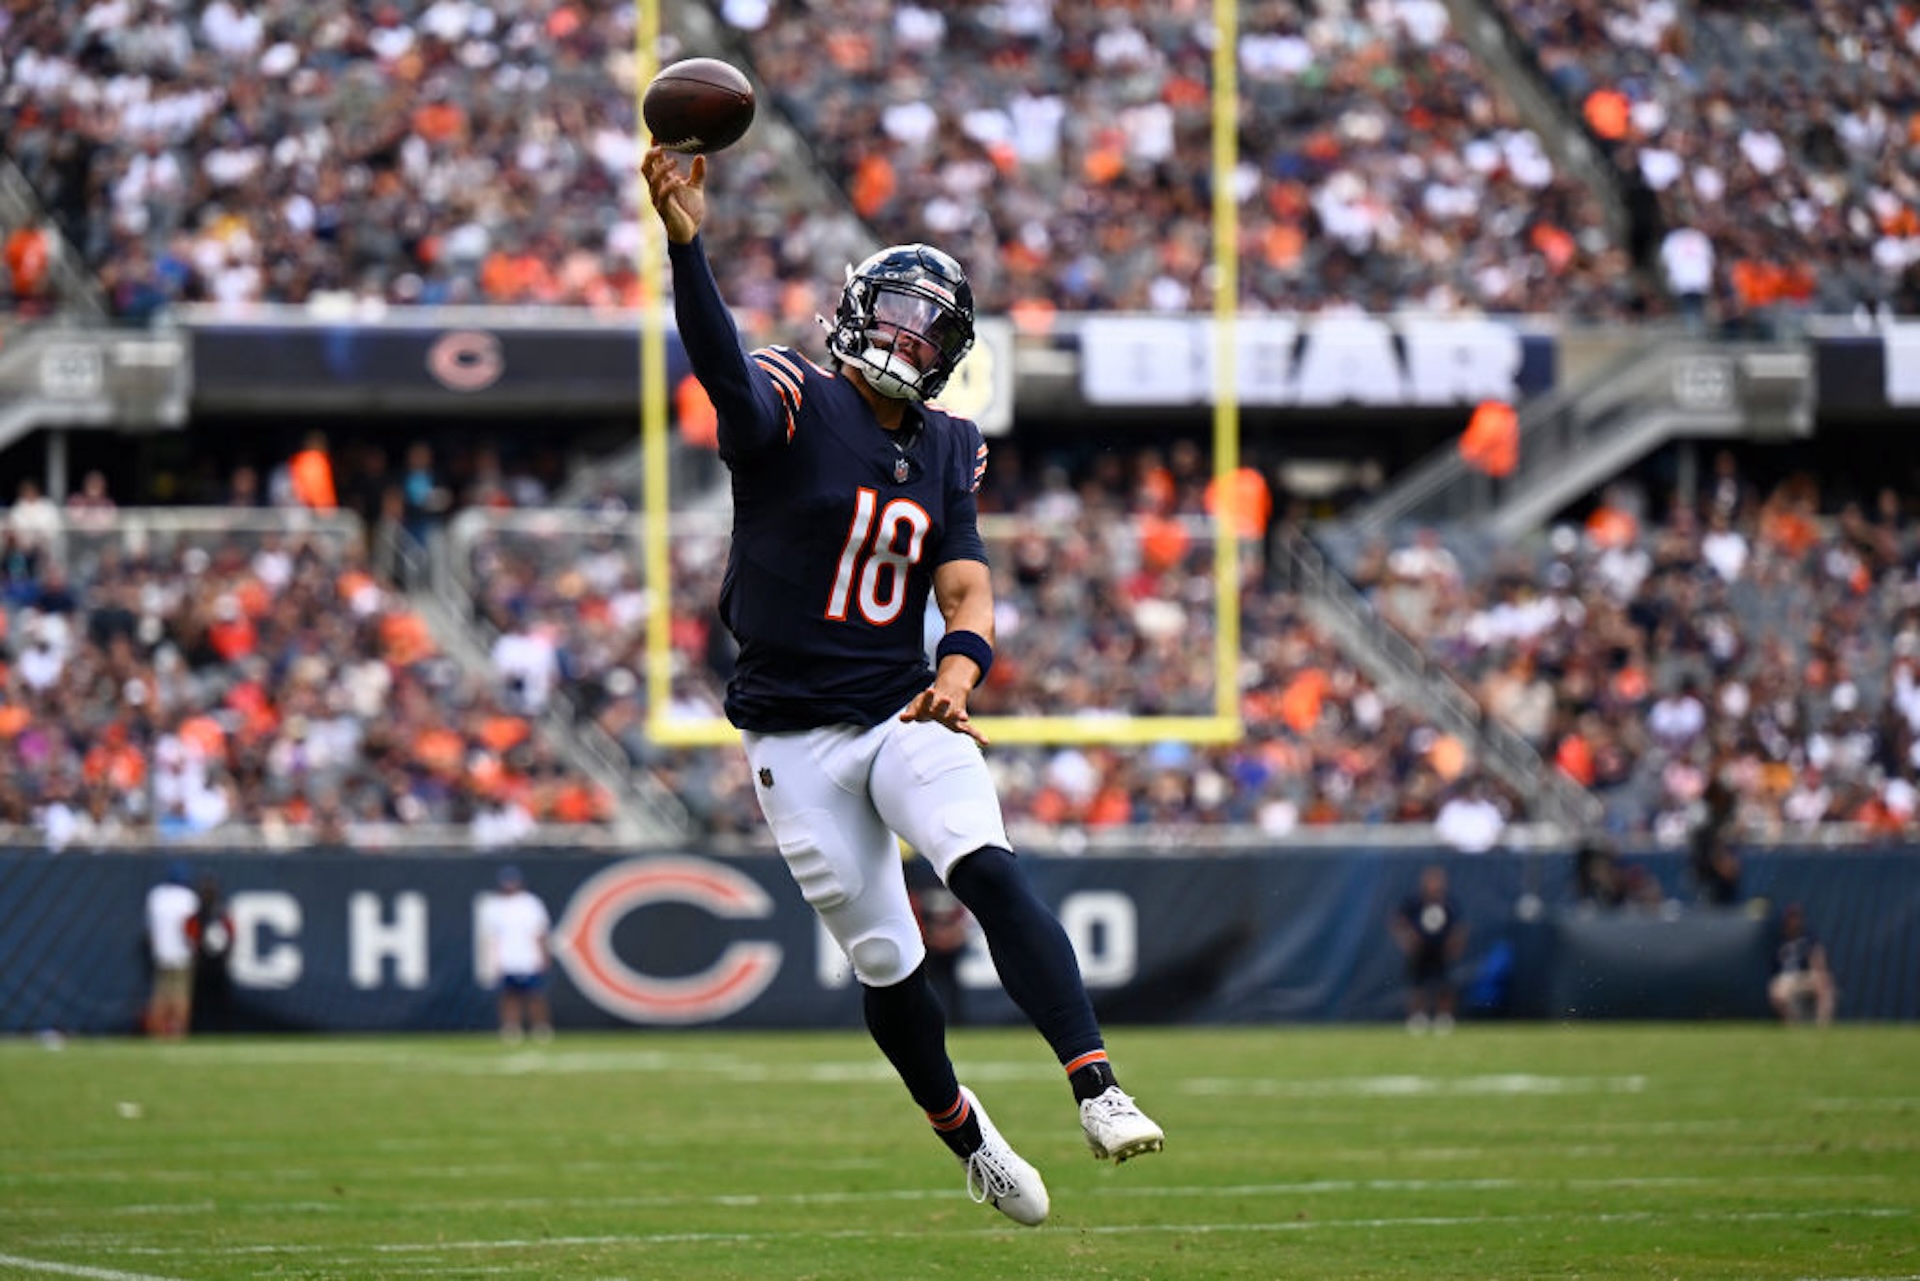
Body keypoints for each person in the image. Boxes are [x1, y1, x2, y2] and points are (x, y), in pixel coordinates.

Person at [643, 141, 1163, 1227]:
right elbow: (721, 372)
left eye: (926, 328)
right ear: (852, 313)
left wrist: (960, 675)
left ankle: (1098, 1086)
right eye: (891, 314)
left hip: (902, 706)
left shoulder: (948, 448)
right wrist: (686, 249)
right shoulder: (792, 394)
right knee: (887, 963)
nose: (902, 337)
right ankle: (966, 1135)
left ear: (948, 353)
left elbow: (967, 588)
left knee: (984, 865)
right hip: (791, 739)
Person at [477, 864, 553, 1043]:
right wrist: (493, 960)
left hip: (528, 957)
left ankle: (540, 1027)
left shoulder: (530, 903)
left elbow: (540, 932)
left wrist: (543, 955)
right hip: (507, 958)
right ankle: (511, 1028)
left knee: (534, 994)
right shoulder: (495, 905)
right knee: (509, 996)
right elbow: (493, 937)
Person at [1390, 863, 1467, 1034]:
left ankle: (1444, 1019)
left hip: (1441, 949)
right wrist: (1407, 939)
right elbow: (1398, 921)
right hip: (1420, 950)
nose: (1435, 885)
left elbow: (1459, 927)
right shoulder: (1415, 902)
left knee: (1445, 985)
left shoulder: (1449, 903)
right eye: (1431, 881)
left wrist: (1455, 945)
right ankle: (1417, 1018)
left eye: (1438, 881)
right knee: (1417, 985)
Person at [143, 860, 200, 1039]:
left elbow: (150, 928)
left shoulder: (156, 895)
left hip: (161, 952)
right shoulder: (189, 897)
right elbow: (191, 929)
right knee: (181, 994)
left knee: (161, 994)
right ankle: (178, 1031)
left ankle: (158, 1032)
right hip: (182, 952)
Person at [1768, 903, 1836, 1027]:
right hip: (1787, 978)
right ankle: (1793, 1024)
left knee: (1824, 982)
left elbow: (1818, 959)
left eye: (1796, 917)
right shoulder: (1780, 940)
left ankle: (1822, 1026)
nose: (1794, 921)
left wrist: (1820, 974)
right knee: (1777, 992)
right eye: (1791, 918)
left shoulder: (1808, 939)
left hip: (1805, 975)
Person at [188, 874, 236, 1034]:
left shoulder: (219, 914)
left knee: (219, 1003)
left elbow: (231, 935)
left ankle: (223, 1031)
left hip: (212, 964)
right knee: (201, 1004)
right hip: (206, 965)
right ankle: (199, 1031)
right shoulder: (206, 914)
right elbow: (190, 934)